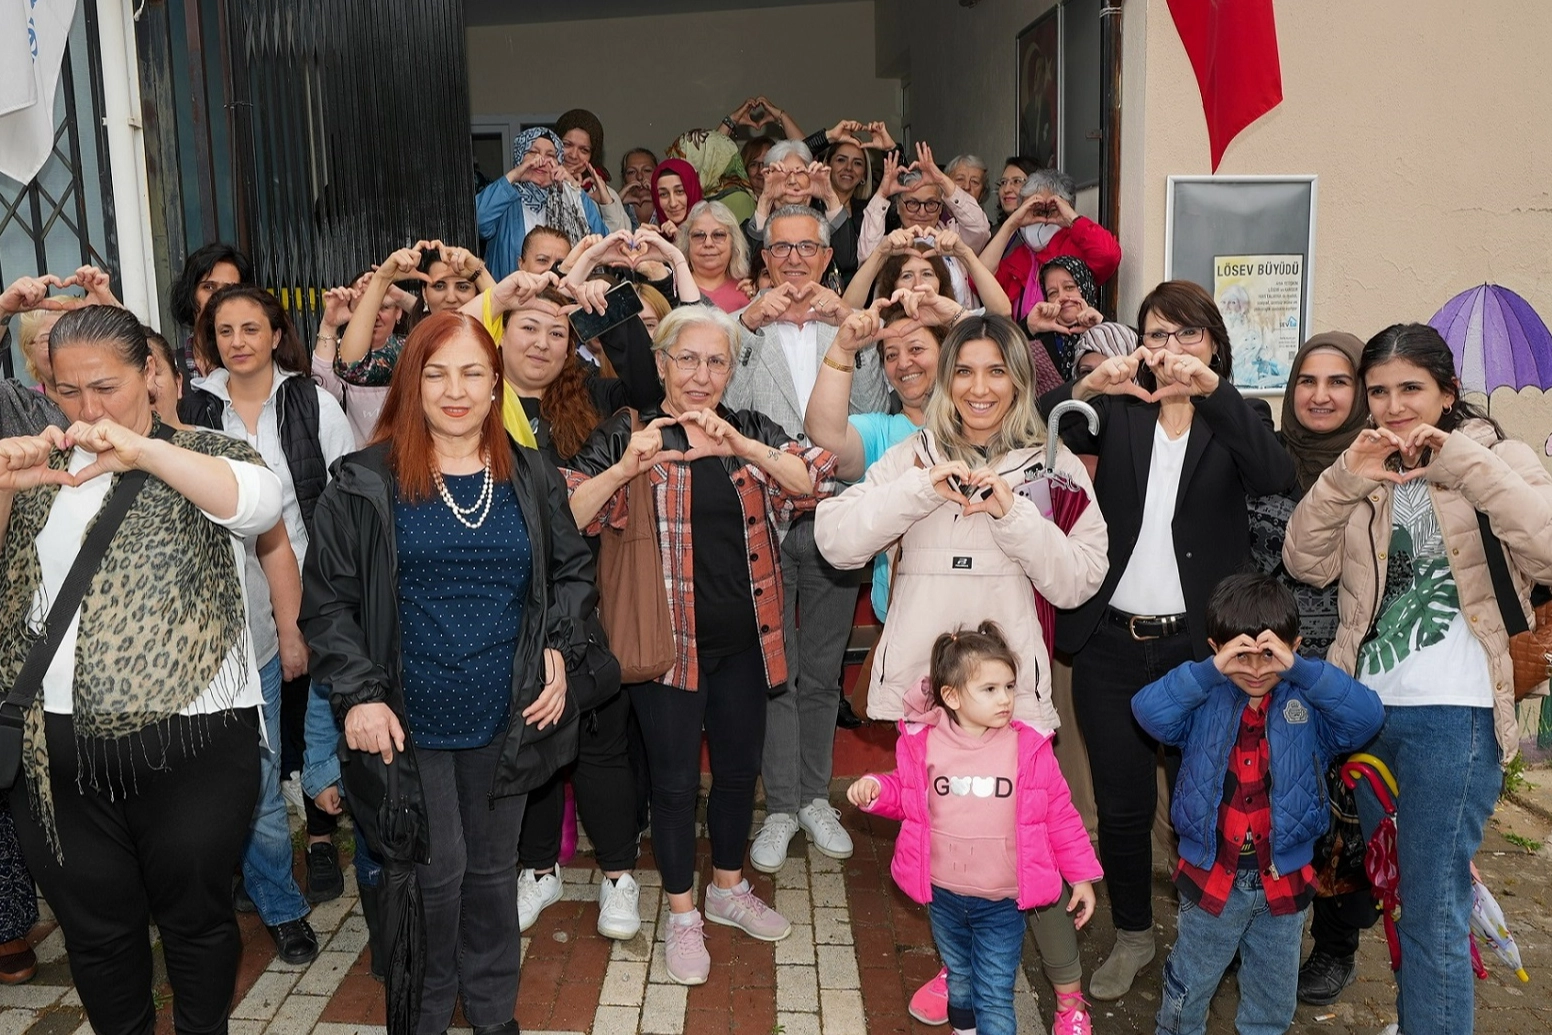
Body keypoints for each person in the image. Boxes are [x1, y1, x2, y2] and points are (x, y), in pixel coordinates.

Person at [300, 310, 596, 1033]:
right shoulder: (364, 482)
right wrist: (360, 696)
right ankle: (424, 1018)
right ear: (412, 383)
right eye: (436, 373)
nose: (455, 389)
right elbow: (328, 602)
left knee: (494, 879)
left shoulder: (528, 475)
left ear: (495, 385)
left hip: (508, 714)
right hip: (407, 718)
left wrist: (558, 644)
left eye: (471, 372)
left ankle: (495, 1017)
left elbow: (572, 572)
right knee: (436, 877)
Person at [816, 314, 1110, 1028]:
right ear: (947, 380)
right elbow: (836, 539)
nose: (980, 389)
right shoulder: (913, 453)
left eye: (997, 370)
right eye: (966, 371)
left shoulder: (1052, 465)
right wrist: (920, 489)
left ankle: (1067, 996)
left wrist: (1013, 516)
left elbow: (1078, 580)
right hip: (929, 696)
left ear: (1019, 378)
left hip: (1008, 701)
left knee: (1026, 846)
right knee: (950, 843)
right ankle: (963, 970)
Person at [0, 305, 281, 1033]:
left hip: (193, 744)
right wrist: (4, 489)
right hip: (53, 750)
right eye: (68, 391)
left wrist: (143, 448)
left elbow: (258, 505)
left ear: (150, 373)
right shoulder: (41, 471)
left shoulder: (205, 454)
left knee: (197, 922)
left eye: (106, 386)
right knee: (97, 937)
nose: (88, 408)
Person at [1283, 323, 1552, 1035]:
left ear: (1446, 390)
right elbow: (1306, 564)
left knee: (1433, 903)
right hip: (1369, 713)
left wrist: (1463, 462)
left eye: (1411, 388)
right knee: (1401, 893)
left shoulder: (1498, 456)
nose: (1393, 405)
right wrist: (1345, 479)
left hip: (1454, 715)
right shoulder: (1363, 464)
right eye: (1378, 391)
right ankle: (1424, 1015)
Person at [562, 305, 838, 985]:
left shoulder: (749, 429)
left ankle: (728, 885)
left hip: (747, 641)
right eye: (686, 358)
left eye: (717, 360)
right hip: (667, 646)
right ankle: (683, 913)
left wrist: (740, 448)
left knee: (739, 772)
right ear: (660, 363)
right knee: (676, 780)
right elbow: (566, 513)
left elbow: (813, 479)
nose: (701, 374)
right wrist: (627, 466)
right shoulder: (629, 432)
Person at [1039, 280, 1295, 1000]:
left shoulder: (1239, 415)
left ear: (1213, 343)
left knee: (1203, 804)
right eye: (1157, 334)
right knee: (1120, 808)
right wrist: (1088, 380)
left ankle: (1205, 935)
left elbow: (1277, 474)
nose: (1171, 349)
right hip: (1110, 645)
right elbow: (1032, 431)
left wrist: (1212, 391)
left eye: (1187, 335)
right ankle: (1131, 934)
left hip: (1200, 651)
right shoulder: (1115, 411)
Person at [1132, 573, 1384, 1035]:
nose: (1254, 668)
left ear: (1292, 647)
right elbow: (1148, 711)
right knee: (1190, 986)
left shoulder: (1307, 705)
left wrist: (1302, 669)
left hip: (1283, 883)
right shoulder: (1202, 699)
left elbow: (1367, 717)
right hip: (1211, 878)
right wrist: (1209, 670)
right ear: (1217, 648)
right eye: (1239, 655)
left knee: (1272, 997)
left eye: (1268, 655)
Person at [182, 284, 355, 943]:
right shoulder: (196, 408)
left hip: (309, 593)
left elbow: (341, 501)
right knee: (255, 763)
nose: (239, 341)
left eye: (251, 327)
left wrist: (321, 605)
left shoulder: (310, 400)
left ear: (276, 332)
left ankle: (313, 845)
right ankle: (274, 895)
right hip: (223, 614)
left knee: (309, 734)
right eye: (225, 330)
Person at [729, 205, 887, 872]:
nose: (794, 260)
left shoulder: (849, 328)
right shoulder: (745, 326)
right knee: (776, 670)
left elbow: (873, 410)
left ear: (827, 259)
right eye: (782, 249)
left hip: (835, 519)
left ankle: (816, 796)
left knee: (822, 669)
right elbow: (722, 402)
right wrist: (746, 324)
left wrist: (853, 336)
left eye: (807, 249)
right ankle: (782, 806)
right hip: (760, 518)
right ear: (764, 259)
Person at [849, 623, 1103, 1035]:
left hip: (1002, 903)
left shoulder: (1028, 749)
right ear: (950, 696)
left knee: (993, 992)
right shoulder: (926, 744)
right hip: (944, 896)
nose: (1004, 699)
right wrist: (877, 789)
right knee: (961, 980)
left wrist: (1081, 877)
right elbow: (907, 795)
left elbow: (1060, 815)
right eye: (989, 689)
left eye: (1008, 686)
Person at [1236, 331, 1378, 1007]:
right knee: (1273, 807)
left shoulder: (1379, 466)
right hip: (1269, 669)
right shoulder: (1267, 461)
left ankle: (1336, 944)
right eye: (1307, 382)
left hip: (1350, 668)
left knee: (1345, 816)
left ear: (1360, 393)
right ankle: (1263, 932)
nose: (1320, 395)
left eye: (1338, 382)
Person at [983, 169, 1122, 322]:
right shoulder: (1020, 256)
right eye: (1032, 209)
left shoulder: (1076, 248)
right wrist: (1011, 224)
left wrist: (1071, 219)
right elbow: (979, 279)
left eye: (1047, 210)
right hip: (1024, 341)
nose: (1039, 218)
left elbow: (1108, 256)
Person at [477, 127, 608, 281]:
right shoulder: (503, 198)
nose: (541, 160)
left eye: (550, 155)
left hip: (564, 299)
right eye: (533, 153)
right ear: (520, 156)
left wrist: (573, 188)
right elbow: (477, 221)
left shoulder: (571, 199)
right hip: (512, 301)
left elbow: (602, 243)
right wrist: (514, 175)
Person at [859, 143, 992, 277]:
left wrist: (942, 180)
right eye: (912, 203)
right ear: (898, 207)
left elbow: (980, 228)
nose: (922, 212)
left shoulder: (955, 237)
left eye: (931, 203)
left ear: (940, 208)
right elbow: (865, 262)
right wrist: (882, 194)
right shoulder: (888, 244)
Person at [742, 140, 856, 283]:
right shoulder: (751, 227)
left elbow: (847, 262)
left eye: (800, 172)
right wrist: (765, 200)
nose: (792, 180)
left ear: (811, 175)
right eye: (784, 173)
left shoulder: (824, 223)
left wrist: (829, 197)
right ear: (768, 178)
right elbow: (750, 268)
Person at [844, 228, 1012, 320]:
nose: (918, 285)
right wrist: (880, 253)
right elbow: (847, 309)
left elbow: (1002, 311)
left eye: (927, 274)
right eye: (907, 276)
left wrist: (965, 254)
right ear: (892, 285)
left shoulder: (956, 318)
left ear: (941, 282)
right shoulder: (881, 325)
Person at [169, 242, 254, 382]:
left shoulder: (253, 367)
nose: (218, 297)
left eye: (229, 289)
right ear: (190, 294)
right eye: (209, 287)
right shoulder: (169, 368)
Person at [1024, 256, 1106, 393]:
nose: (1062, 297)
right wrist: (1028, 327)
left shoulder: (1107, 328)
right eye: (1053, 293)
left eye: (1069, 287)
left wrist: (1103, 325)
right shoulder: (1038, 340)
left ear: (1085, 288)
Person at [555, 108, 631, 233]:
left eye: (584, 150)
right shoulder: (539, 188)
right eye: (567, 145)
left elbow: (621, 243)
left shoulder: (605, 194)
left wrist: (607, 204)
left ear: (593, 155)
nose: (573, 155)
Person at [665, 129, 758, 223]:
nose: (676, 172)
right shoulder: (687, 197)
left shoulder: (738, 199)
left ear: (705, 163)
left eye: (683, 164)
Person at [678, 200, 756, 313]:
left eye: (718, 235)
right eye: (699, 235)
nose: (708, 243)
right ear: (686, 243)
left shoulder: (748, 292)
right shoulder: (673, 290)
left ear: (734, 243)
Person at [651, 158, 702, 236]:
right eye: (663, 194)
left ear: (693, 191)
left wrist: (680, 240)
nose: (673, 204)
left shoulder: (715, 231)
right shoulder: (655, 236)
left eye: (679, 191)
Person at [992, 157, 1041, 230]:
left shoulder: (1046, 233)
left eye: (1017, 181)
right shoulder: (992, 235)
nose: (1006, 189)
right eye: (1003, 182)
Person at [620, 147, 659, 228]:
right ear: (624, 179)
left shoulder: (672, 208)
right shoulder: (619, 210)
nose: (640, 177)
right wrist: (616, 202)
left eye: (647, 170)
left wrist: (661, 199)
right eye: (631, 172)